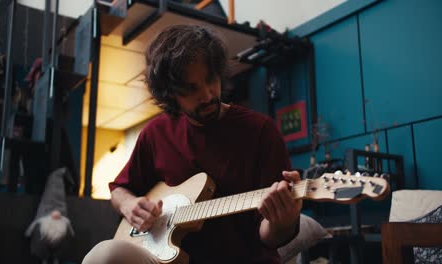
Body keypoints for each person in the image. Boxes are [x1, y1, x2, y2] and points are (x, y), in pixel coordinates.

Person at [83, 24, 302, 264]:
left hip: (244, 259)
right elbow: (119, 189)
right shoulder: (156, 134)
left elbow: (268, 236)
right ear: (170, 95)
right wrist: (130, 205)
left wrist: (284, 221)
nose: (207, 95)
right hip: (167, 258)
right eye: (191, 89)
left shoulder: (261, 131)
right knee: (102, 255)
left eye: (211, 80)